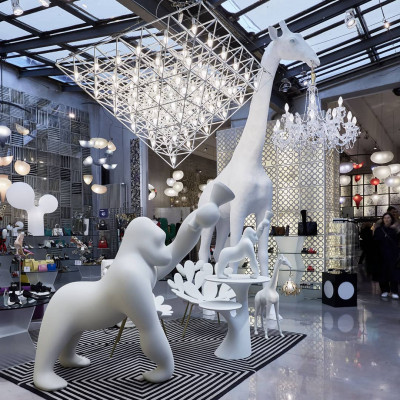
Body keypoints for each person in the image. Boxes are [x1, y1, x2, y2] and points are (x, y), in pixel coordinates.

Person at [373, 212, 399, 299]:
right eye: (385, 218)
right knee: (383, 273)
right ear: (383, 220)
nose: (386, 219)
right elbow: (375, 241)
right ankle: (385, 290)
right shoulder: (379, 230)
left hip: (393, 255)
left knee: (394, 273)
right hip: (381, 255)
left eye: (388, 218)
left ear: (391, 219)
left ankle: (394, 291)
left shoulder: (395, 230)